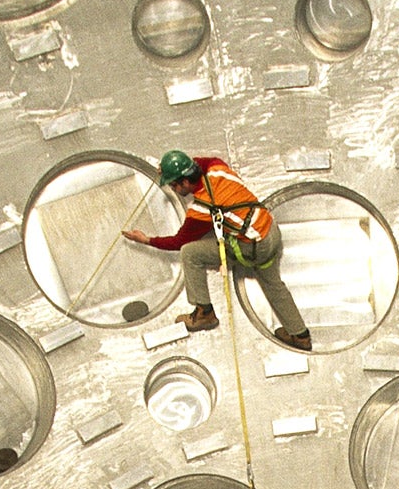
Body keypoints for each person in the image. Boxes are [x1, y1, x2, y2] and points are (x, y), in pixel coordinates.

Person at [123, 149, 313, 351]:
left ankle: (204, 313)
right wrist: (171, 167)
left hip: (253, 247)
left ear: (185, 182)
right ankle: (300, 336)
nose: (173, 188)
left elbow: (178, 241)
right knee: (273, 283)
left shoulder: (202, 209)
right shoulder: (217, 168)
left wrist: (146, 240)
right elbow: (202, 162)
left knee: (190, 252)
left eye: (173, 184)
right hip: (269, 231)